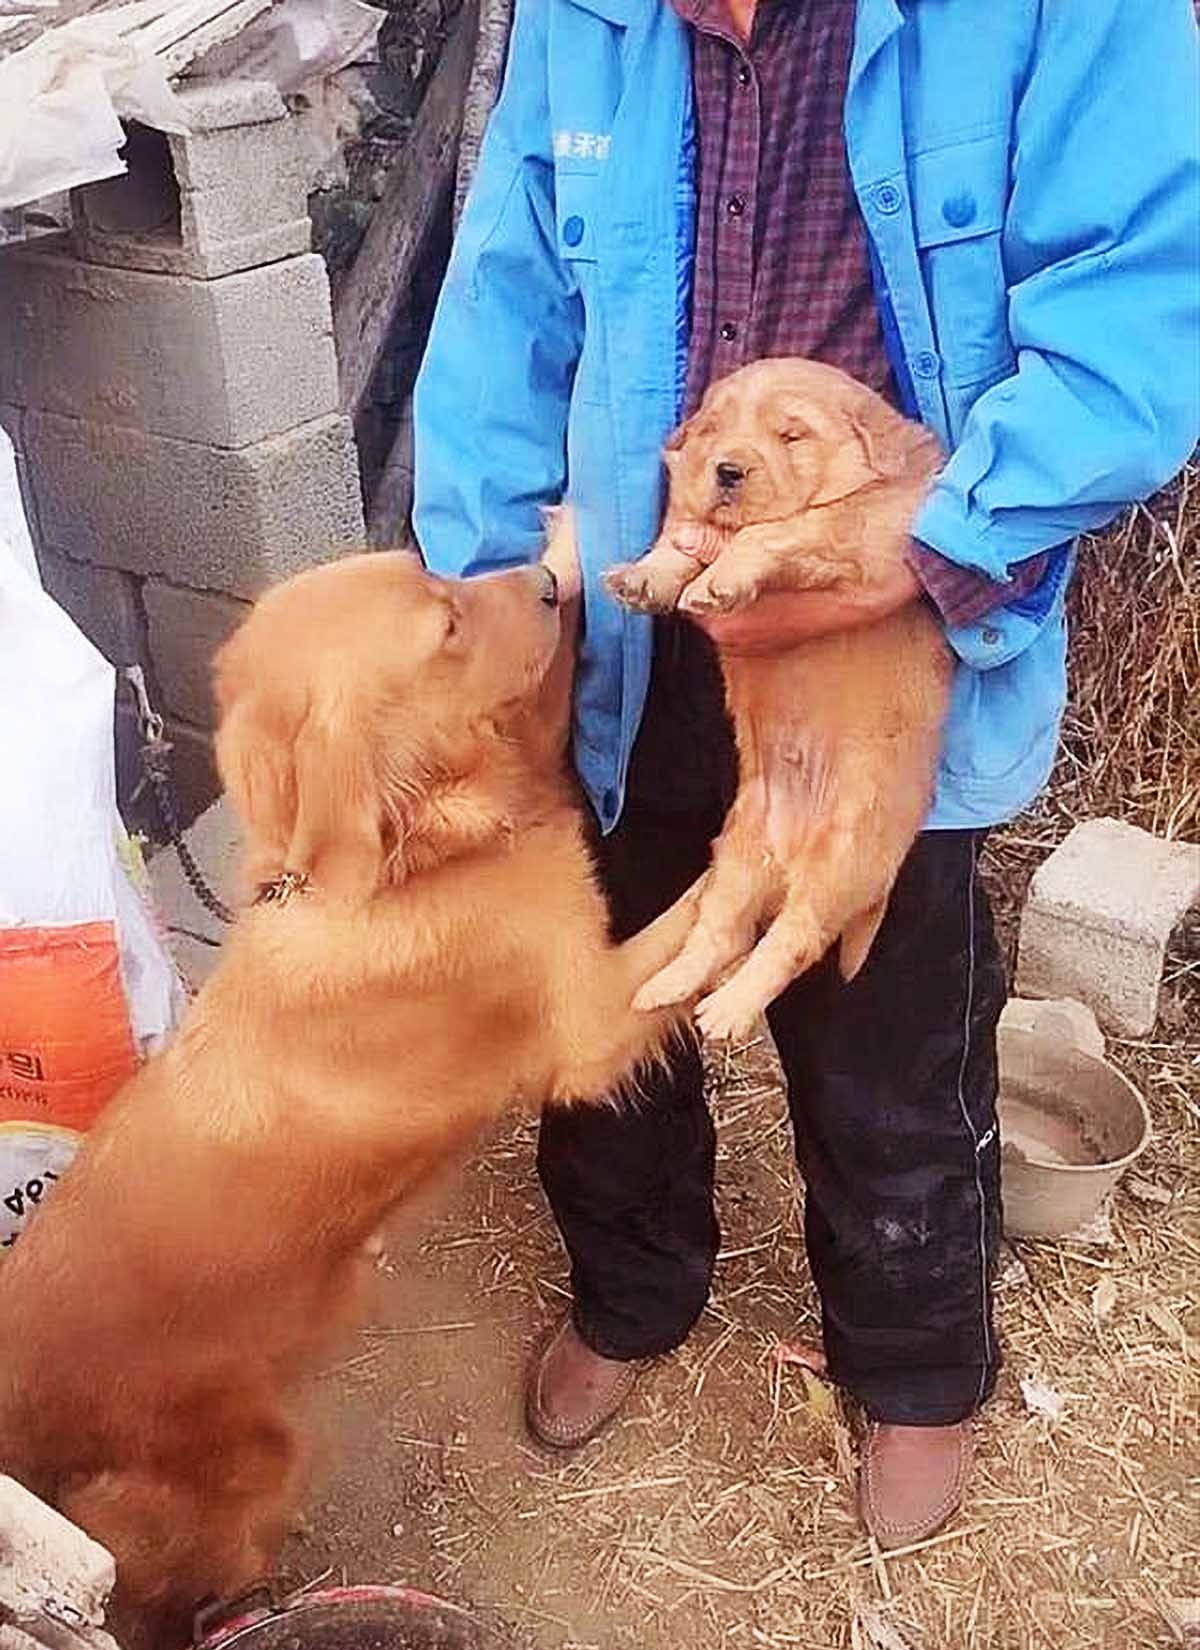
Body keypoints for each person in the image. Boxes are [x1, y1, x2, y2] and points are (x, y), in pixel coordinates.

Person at [413, 0, 1199, 1546]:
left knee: (890, 1036)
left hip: (886, 615)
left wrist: (937, 546)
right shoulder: (590, 21)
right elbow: (504, 310)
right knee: (616, 983)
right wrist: (490, 598)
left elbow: (1137, 317)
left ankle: (914, 1371)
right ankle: (633, 1290)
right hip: (652, 616)